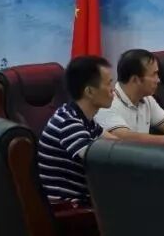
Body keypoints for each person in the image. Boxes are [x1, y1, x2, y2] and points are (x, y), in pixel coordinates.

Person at [37, 55, 116, 204]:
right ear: (89, 92)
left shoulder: (82, 117)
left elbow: (117, 145)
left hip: (88, 200)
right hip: (71, 208)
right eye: (109, 83)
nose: (113, 90)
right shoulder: (68, 123)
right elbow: (104, 162)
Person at [95, 49, 164, 144]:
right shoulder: (107, 102)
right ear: (135, 79)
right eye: (154, 74)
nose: (158, 80)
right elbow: (123, 137)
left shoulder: (147, 99)